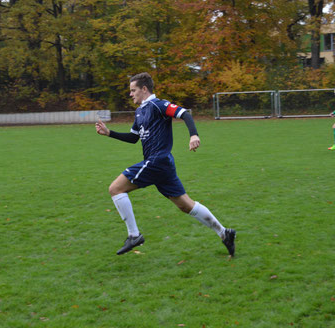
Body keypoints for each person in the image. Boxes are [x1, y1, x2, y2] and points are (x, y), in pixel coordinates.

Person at [95, 72, 236, 256]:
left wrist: (194, 134)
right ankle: (224, 233)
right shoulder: (140, 112)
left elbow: (184, 113)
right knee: (186, 205)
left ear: (144, 89)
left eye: (133, 90)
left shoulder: (158, 105)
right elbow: (133, 138)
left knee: (115, 189)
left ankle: (134, 235)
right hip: (162, 166)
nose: (131, 94)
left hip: (157, 161)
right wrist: (109, 133)